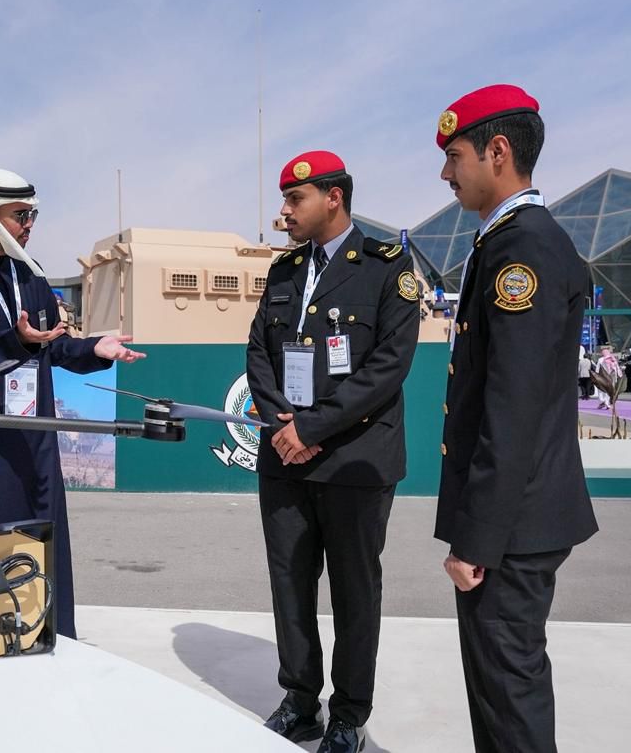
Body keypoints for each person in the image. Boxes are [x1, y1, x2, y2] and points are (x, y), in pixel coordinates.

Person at [433, 85, 599, 752]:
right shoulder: (511, 241)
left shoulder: (521, 248)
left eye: (455, 156)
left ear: (497, 151)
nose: (445, 174)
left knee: (508, 699)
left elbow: (513, 406)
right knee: (502, 692)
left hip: (511, 527)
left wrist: (478, 538)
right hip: (517, 520)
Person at [246, 150, 420, 753]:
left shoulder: (386, 268)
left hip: (354, 458)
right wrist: (282, 424)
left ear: (334, 198)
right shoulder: (285, 271)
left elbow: (388, 366)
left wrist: (312, 427)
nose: (285, 212)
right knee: (289, 582)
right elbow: (258, 354)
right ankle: (300, 701)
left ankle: (348, 715)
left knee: (353, 590)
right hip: (284, 455)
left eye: (295, 199)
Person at [0, 162, 145, 639]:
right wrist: (17, 342)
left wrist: (95, 348)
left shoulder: (31, 276)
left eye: (33, 215)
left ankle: (50, 643)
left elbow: (53, 346)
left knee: (43, 554)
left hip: (34, 445)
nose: (29, 225)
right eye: (20, 215)